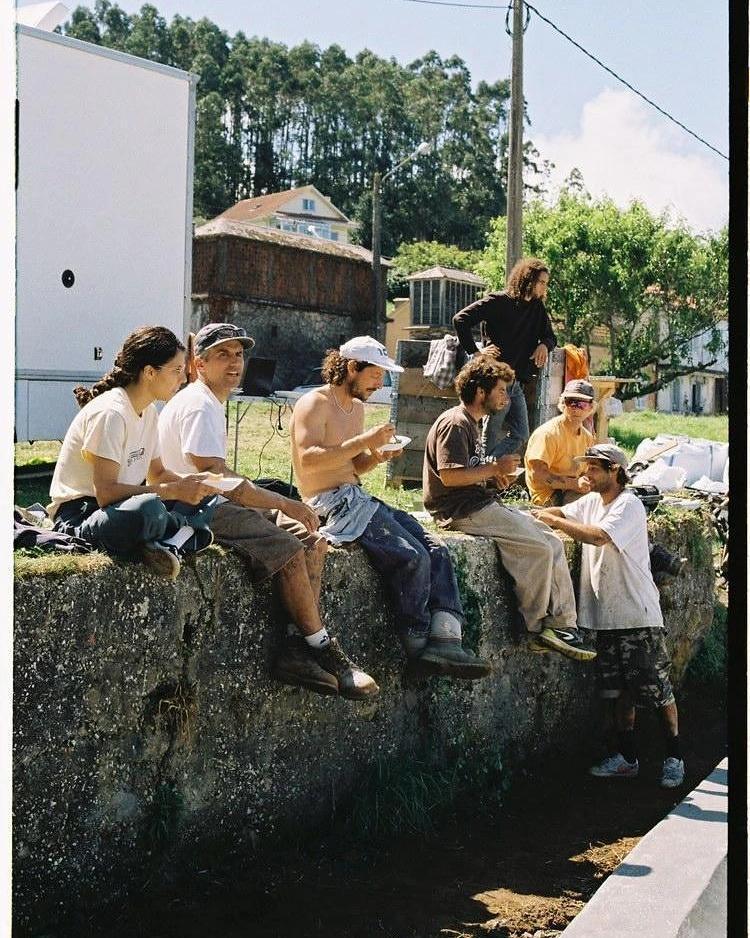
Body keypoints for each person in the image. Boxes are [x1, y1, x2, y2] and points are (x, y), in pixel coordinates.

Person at [157, 322, 378, 702]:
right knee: (289, 548)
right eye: (222, 355)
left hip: (214, 499)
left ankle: (295, 649)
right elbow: (216, 479)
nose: (234, 363)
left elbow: (223, 477)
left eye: (238, 354)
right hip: (193, 506)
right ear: (199, 364)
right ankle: (326, 649)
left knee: (313, 541)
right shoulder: (199, 404)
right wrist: (283, 502)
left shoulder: (209, 400)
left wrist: (279, 502)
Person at [290, 335, 491, 680]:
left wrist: (377, 456)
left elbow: (352, 467)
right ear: (352, 368)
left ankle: (447, 640)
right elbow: (309, 461)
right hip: (330, 504)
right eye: (375, 374)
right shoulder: (314, 403)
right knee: (411, 557)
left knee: (436, 549)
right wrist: (366, 440)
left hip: (356, 496)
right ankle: (417, 647)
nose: (379, 383)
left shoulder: (356, 408)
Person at [422, 355, 595, 662]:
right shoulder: (455, 423)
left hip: (478, 502)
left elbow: (468, 473)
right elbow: (449, 476)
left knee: (553, 542)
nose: (506, 397)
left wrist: (494, 479)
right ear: (480, 391)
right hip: (460, 511)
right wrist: (493, 469)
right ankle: (536, 627)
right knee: (538, 549)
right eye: (501, 390)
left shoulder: (472, 422)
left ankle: (563, 625)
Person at [533, 444, 685, 789]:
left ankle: (674, 757)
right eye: (584, 468)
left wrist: (552, 520)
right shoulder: (590, 502)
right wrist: (534, 515)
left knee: (656, 689)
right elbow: (560, 512)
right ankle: (627, 759)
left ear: (614, 470)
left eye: (592, 469)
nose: (584, 475)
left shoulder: (629, 505)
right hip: (604, 616)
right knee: (616, 692)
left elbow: (599, 537)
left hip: (637, 616)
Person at [49, 326, 219, 579]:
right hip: (83, 516)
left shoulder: (148, 412)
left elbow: (158, 474)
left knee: (205, 497)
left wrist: (192, 484)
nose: (183, 379)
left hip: (119, 507)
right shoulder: (111, 413)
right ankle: (179, 534)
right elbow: (106, 493)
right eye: (176, 370)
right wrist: (173, 491)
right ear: (150, 372)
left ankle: (167, 537)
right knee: (148, 509)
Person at [453, 256, 556, 459]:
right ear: (528, 280)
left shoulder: (537, 308)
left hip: (516, 382)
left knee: (521, 434)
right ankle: (485, 471)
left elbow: (551, 336)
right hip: (496, 380)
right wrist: (476, 352)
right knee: (490, 434)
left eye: (546, 283)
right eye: (542, 282)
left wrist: (544, 344)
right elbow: (460, 319)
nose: (545, 287)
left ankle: (486, 467)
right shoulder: (498, 301)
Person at [524, 379, 596, 506]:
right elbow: (538, 475)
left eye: (582, 404)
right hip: (549, 496)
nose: (575, 409)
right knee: (594, 504)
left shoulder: (587, 437)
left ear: (591, 407)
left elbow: (587, 471)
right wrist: (574, 484)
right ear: (562, 403)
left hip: (574, 491)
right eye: (571, 403)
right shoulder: (548, 434)